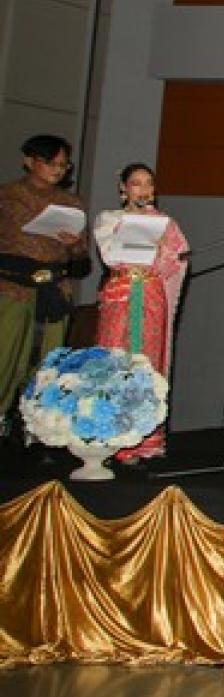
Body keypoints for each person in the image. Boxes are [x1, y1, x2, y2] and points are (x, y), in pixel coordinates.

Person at [92, 163, 189, 464]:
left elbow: (179, 259)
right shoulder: (109, 219)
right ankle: (111, 438)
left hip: (150, 295)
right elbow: (111, 256)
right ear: (123, 188)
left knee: (147, 361)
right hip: (121, 294)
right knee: (116, 359)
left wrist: (162, 250)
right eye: (136, 183)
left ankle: (144, 439)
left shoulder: (166, 224)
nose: (144, 190)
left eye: (149, 184)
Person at [0, 136, 89, 448]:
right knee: (6, 355)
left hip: (54, 288)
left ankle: (38, 427)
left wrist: (74, 245)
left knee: (50, 361)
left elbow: (82, 260)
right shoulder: (8, 195)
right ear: (29, 161)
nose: (58, 170)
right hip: (12, 286)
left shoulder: (72, 203)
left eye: (64, 165)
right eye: (51, 163)